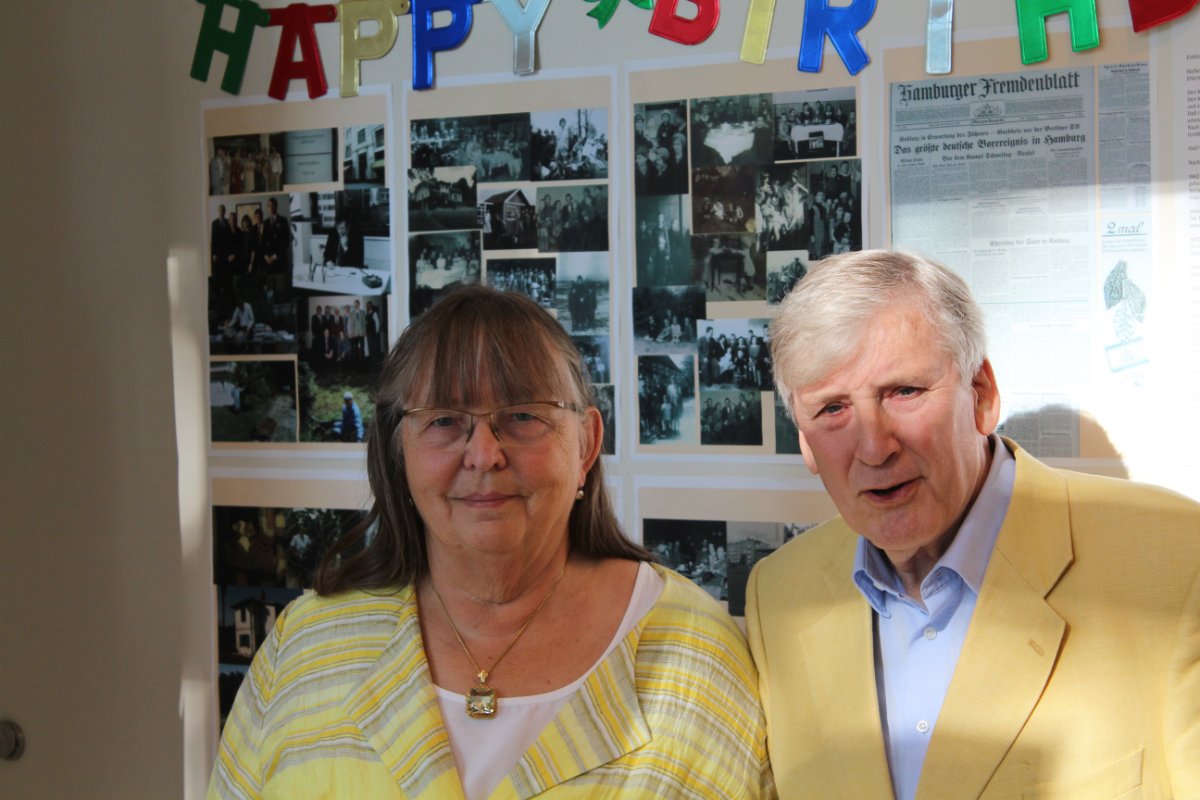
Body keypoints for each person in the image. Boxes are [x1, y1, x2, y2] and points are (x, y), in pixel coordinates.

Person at [209, 285, 773, 799]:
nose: (483, 455)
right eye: (444, 420)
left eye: (522, 415)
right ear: (398, 450)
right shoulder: (306, 649)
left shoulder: (698, 660)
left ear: (586, 444)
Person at [748, 249, 1200, 799]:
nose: (874, 448)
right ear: (805, 442)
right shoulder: (778, 594)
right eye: (832, 409)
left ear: (981, 395)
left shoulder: (1181, 559)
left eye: (904, 391)